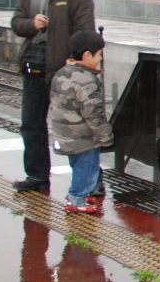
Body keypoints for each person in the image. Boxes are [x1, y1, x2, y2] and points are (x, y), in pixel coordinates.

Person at [11, 0, 95, 192]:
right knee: (31, 124)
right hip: (34, 67)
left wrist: (75, 64)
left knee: (74, 128)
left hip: (64, 73)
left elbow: (85, 32)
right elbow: (16, 23)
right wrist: (31, 24)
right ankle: (37, 175)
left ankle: (90, 181)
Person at [48, 30, 112, 214]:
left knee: (77, 166)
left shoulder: (62, 72)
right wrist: (106, 136)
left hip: (65, 134)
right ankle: (77, 200)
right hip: (84, 137)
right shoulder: (87, 80)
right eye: (99, 54)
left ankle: (78, 194)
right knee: (87, 169)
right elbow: (94, 114)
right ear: (87, 55)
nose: (100, 59)